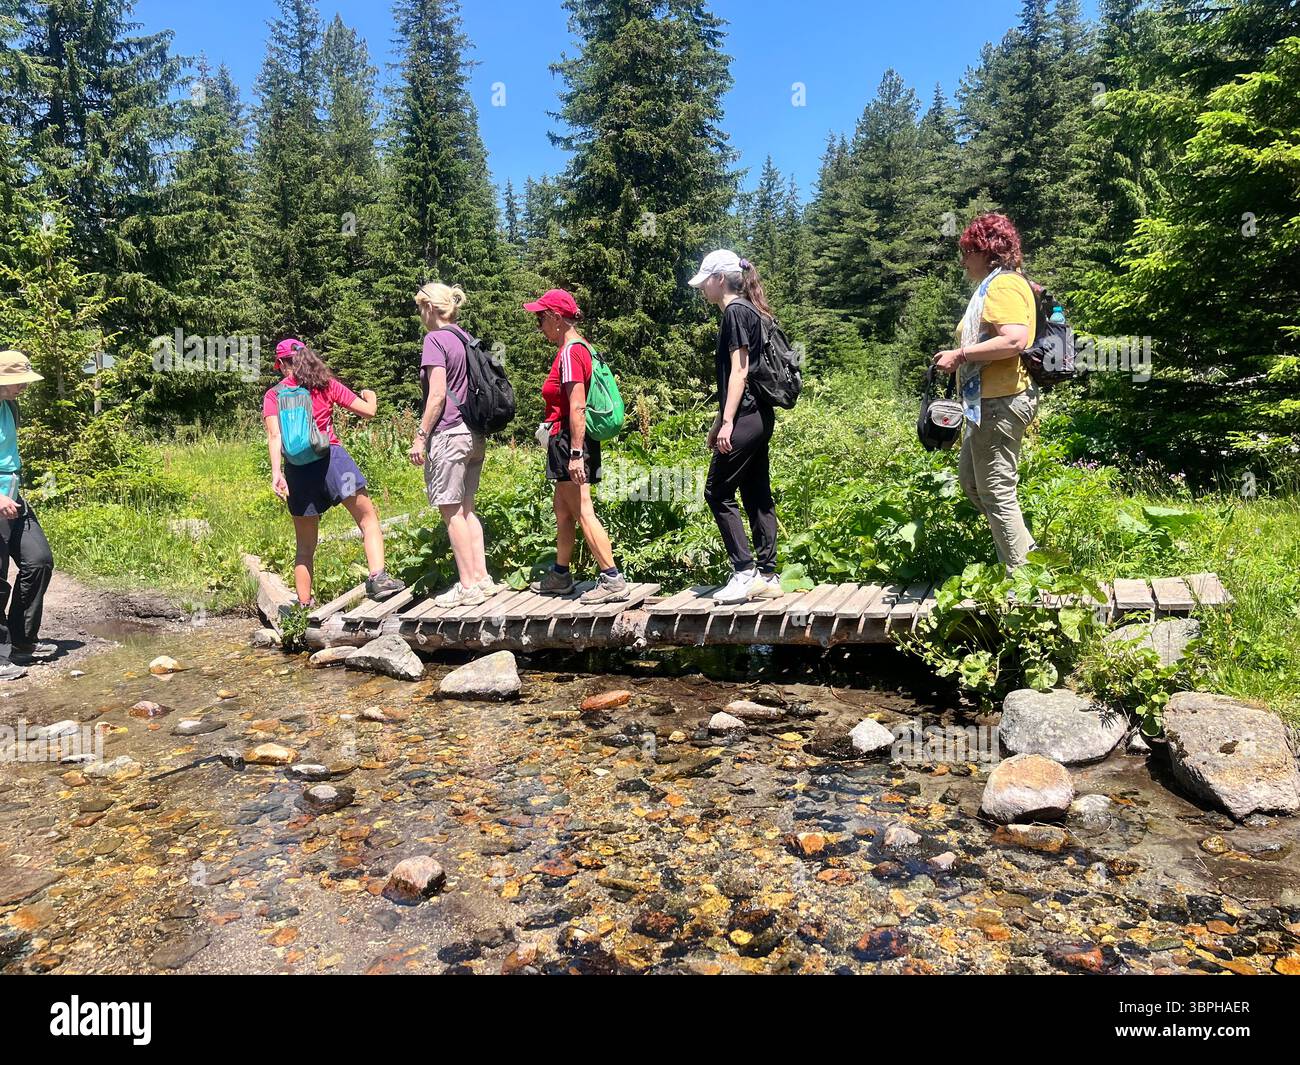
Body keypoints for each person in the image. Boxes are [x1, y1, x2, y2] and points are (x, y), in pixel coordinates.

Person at [932, 213, 1039, 573]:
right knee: (973, 483)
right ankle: (1030, 560)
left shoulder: (1003, 286)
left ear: (987, 250)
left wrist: (960, 355)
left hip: (1000, 402)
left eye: (967, 252)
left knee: (995, 491)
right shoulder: (993, 286)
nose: (963, 261)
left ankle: (1023, 584)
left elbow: (1014, 339)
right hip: (986, 404)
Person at [262, 339, 405, 608]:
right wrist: (370, 395)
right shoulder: (324, 383)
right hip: (332, 461)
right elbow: (369, 412)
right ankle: (378, 579)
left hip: (297, 471)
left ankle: (305, 605)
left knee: (305, 546)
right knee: (367, 519)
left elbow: (274, 436)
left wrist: (276, 474)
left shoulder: (274, 395)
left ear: (281, 364)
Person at [523, 288, 628, 604]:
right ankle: (561, 574)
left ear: (556, 318)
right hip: (572, 440)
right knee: (563, 510)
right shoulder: (584, 348)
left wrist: (576, 455)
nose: (539, 325)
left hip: (570, 440)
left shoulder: (570, 352)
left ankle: (612, 579)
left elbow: (578, 405)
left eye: (541, 318)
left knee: (582, 510)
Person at [688, 250, 782, 604]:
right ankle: (768, 576)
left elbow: (740, 370)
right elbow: (735, 378)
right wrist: (718, 423)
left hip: (745, 417)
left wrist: (728, 422)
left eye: (704, 282)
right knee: (756, 493)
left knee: (717, 492)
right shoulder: (751, 310)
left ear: (719, 280)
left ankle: (744, 572)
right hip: (758, 415)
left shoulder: (735, 312)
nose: (702, 289)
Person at [408, 283, 502, 608]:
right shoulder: (464, 338)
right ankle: (482, 578)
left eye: (421, 308)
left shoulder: (434, 340)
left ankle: (467, 586)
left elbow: (436, 395)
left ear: (431, 308)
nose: (421, 315)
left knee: (451, 511)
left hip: (449, 434)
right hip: (474, 434)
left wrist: (420, 435)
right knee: (467, 508)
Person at [0, 351, 54, 681]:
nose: (23, 387)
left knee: (39, 560)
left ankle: (21, 640)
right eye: (18, 381)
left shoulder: (11, 405)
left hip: (14, 494)